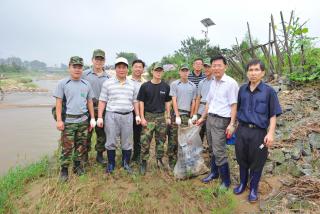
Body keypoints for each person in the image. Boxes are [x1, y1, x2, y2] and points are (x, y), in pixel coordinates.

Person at [233, 59, 282, 202]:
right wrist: (232, 125)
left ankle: (253, 188)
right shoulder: (242, 89)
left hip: (258, 133)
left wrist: (271, 133)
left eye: (256, 70)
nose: (253, 73)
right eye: (250, 70)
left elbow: (273, 115)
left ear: (263, 72)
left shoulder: (269, 92)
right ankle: (242, 184)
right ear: (247, 72)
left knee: (257, 162)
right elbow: (238, 109)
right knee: (242, 159)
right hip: (241, 130)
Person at [197, 55, 239, 188]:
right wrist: (203, 118)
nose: (216, 68)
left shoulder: (231, 83)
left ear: (225, 66)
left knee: (219, 151)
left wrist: (232, 124)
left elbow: (234, 105)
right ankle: (214, 173)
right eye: (214, 65)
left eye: (219, 65)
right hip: (210, 118)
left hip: (222, 121)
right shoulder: (213, 81)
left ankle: (226, 181)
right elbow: (209, 102)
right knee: (212, 148)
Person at [53, 56, 96, 182]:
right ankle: (64, 170)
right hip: (69, 122)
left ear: (82, 68)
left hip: (83, 121)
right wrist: (59, 120)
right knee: (67, 147)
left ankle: (78, 167)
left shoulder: (86, 84)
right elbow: (59, 103)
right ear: (69, 67)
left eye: (80, 67)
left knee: (81, 146)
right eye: (74, 67)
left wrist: (92, 118)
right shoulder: (62, 83)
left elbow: (89, 102)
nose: (77, 69)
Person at [97, 57, 140, 174]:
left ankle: (126, 163)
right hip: (112, 115)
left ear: (127, 69)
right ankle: (111, 164)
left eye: (124, 67)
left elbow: (135, 101)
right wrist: (100, 116)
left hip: (128, 115)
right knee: (111, 140)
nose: (121, 70)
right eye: (119, 67)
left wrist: (137, 115)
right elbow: (102, 100)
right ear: (115, 69)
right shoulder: (108, 83)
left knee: (127, 141)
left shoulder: (132, 84)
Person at [137, 63, 171, 175]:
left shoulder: (166, 86)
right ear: (152, 71)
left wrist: (168, 116)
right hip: (148, 116)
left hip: (161, 117)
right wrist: (142, 117)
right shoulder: (145, 86)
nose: (158, 72)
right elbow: (141, 102)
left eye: (160, 70)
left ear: (163, 72)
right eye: (156, 70)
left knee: (161, 140)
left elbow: (167, 102)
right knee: (145, 141)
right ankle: (143, 161)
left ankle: (159, 159)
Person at [82, 49, 109, 165]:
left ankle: (99, 155)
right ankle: (84, 157)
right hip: (87, 108)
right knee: (86, 134)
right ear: (92, 60)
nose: (99, 61)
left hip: (103, 109)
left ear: (104, 61)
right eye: (96, 59)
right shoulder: (84, 74)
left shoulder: (108, 77)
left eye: (101, 59)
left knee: (102, 134)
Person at [167, 64, 196, 169]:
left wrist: (191, 116)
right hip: (176, 114)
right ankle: (171, 159)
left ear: (189, 72)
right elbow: (173, 100)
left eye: (186, 71)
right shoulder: (175, 84)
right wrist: (177, 115)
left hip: (187, 115)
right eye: (182, 71)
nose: (184, 73)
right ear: (179, 72)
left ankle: (182, 160)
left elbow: (193, 101)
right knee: (173, 138)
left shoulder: (192, 86)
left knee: (185, 139)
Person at [128, 59, 147, 163]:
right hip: (127, 110)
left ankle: (136, 155)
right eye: (136, 66)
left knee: (138, 134)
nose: (138, 69)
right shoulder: (126, 80)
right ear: (132, 68)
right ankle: (125, 155)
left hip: (140, 112)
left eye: (140, 67)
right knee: (126, 134)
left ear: (143, 69)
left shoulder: (145, 83)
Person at [194, 58, 214, 142]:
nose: (206, 69)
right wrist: (195, 114)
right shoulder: (202, 82)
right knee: (197, 134)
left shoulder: (216, 81)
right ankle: (197, 152)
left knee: (210, 135)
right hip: (201, 110)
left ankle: (211, 153)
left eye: (208, 67)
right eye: (205, 67)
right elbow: (198, 98)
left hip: (211, 111)